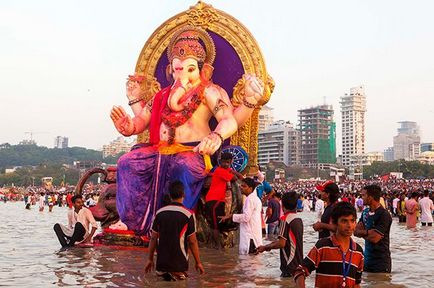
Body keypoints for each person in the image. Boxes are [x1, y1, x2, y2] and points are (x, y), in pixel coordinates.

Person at [110, 26, 264, 236]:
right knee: (127, 162)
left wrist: (216, 136)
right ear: (171, 70)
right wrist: (128, 126)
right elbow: (141, 122)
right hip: (160, 150)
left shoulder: (210, 91)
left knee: (182, 166)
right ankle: (131, 220)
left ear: (202, 69)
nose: (183, 75)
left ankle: (179, 220)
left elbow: (228, 119)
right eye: (178, 69)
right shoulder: (162, 96)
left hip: (193, 151)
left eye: (190, 69)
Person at [294, 202, 364, 288]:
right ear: (335, 223)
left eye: (352, 221)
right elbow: (300, 271)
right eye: (344, 221)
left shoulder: (358, 251)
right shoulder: (322, 246)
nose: (349, 225)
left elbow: (356, 283)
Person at [145, 181, 204, 281]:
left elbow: (153, 238)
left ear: (170, 195)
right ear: (183, 194)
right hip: (179, 266)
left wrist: (150, 259)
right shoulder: (188, 215)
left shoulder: (159, 213)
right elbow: (192, 241)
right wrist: (198, 262)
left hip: (161, 265)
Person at [256, 192, 303, 277]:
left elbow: (281, 243)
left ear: (282, 205)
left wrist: (266, 247)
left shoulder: (285, 220)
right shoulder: (299, 219)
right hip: (299, 265)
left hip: (289, 266)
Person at [204, 152, 243, 248]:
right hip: (213, 200)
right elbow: (235, 178)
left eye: (229, 163)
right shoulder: (219, 171)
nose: (227, 164)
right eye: (225, 162)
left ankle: (219, 246)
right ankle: (218, 247)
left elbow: (240, 176)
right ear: (220, 161)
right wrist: (232, 171)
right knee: (215, 226)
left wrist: (231, 170)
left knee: (220, 223)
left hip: (220, 201)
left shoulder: (225, 170)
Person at [354, 184, 392, 273]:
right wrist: (369, 233)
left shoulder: (384, 214)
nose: (361, 197)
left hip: (381, 262)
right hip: (366, 260)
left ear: (370, 197)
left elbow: (375, 238)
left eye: (363, 195)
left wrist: (362, 232)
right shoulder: (365, 212)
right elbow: (355, 231)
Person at [219, 178, 262, 254]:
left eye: (244, 186)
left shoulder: (250, 200)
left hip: (250, 238)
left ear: (250, 188)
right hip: (254, 236)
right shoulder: (256, 199)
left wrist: (231, 216)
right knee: (253, 263)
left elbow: (246, 217)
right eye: (241, 185)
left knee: (248, 262)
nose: (241, 187)